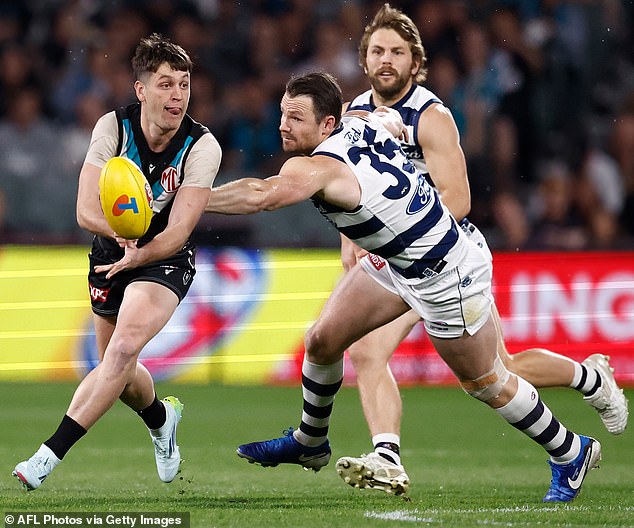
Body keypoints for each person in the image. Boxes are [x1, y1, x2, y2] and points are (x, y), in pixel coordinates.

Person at [206, 71, 601, 503]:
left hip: (444, 273)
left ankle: (570, 450)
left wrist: (193, 198)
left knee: (487, 382)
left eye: (296, 117)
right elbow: (388, 120)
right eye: (283, 114)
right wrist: (387, 126)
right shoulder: (360, 123)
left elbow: (262, 194)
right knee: (322, 340)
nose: (283, 125)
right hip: (401, 261)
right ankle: (310, 440)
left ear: (326, 126)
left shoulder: (316, 165)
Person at [334, 3, 628, 496]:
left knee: (489, 376)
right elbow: (347, 181)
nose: (386, 59)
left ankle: (581, 401)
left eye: (397, 52)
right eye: (377, 50)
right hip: (398, 262)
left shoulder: (430, 115)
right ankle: (388, 455)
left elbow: (459, 200)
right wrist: (351, 236)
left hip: (440, 260)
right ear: (364, 59)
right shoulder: (353, 115)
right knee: (378, 353)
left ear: (415, 61)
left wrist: (397, 238)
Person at [12, 34, 221, 491]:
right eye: (165, 84)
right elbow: (85, 211)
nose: (177, 95)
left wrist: (140, 253)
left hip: (163, 258)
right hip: (111, 252)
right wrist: (120, 237)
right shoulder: (112, 127)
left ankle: (47, 456)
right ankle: (162, 418)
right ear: (141, 90)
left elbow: (179, 231)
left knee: (123, 350)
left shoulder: (202, 146)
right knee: (117, 369)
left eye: (184, 84)